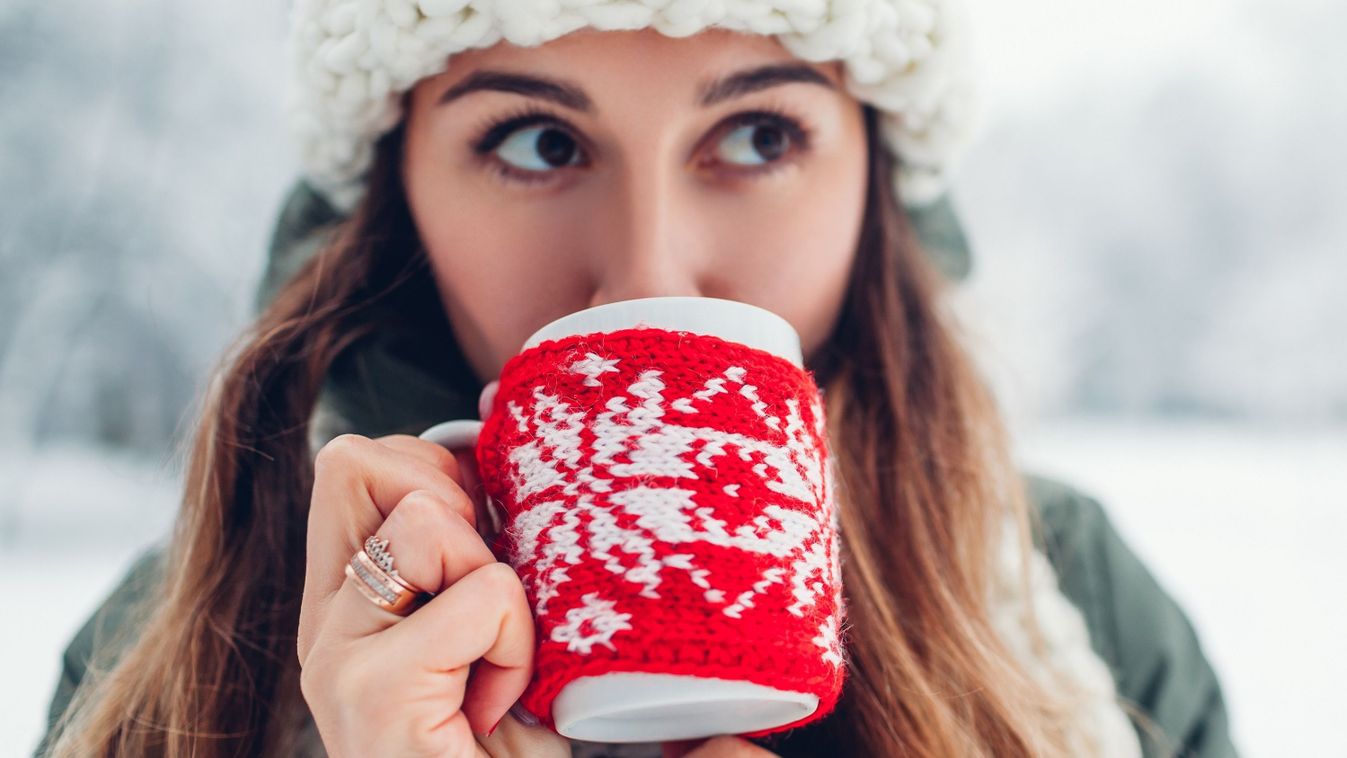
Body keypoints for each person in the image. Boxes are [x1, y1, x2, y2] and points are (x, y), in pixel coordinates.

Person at [36, 1, 1239, 756]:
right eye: (537, 142)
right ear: (395, 192)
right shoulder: (180, 645)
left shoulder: (1081, 606)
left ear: (877, 181)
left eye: (760, 136)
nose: (649, 275)